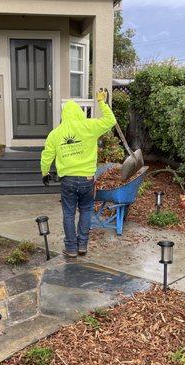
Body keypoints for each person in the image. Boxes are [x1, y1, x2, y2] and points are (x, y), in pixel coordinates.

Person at [40, 90, 116, 257]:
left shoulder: (56, 133)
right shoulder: (89, 126)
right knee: (86, 210)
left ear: (64, 115)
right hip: (87, 179)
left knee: (68, 213)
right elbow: (111, 120)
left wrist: (45, 172)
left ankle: (71, 248)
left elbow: (47, 155)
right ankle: (82, 245)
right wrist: (101, 102)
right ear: (80, 113)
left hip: (68, 181)